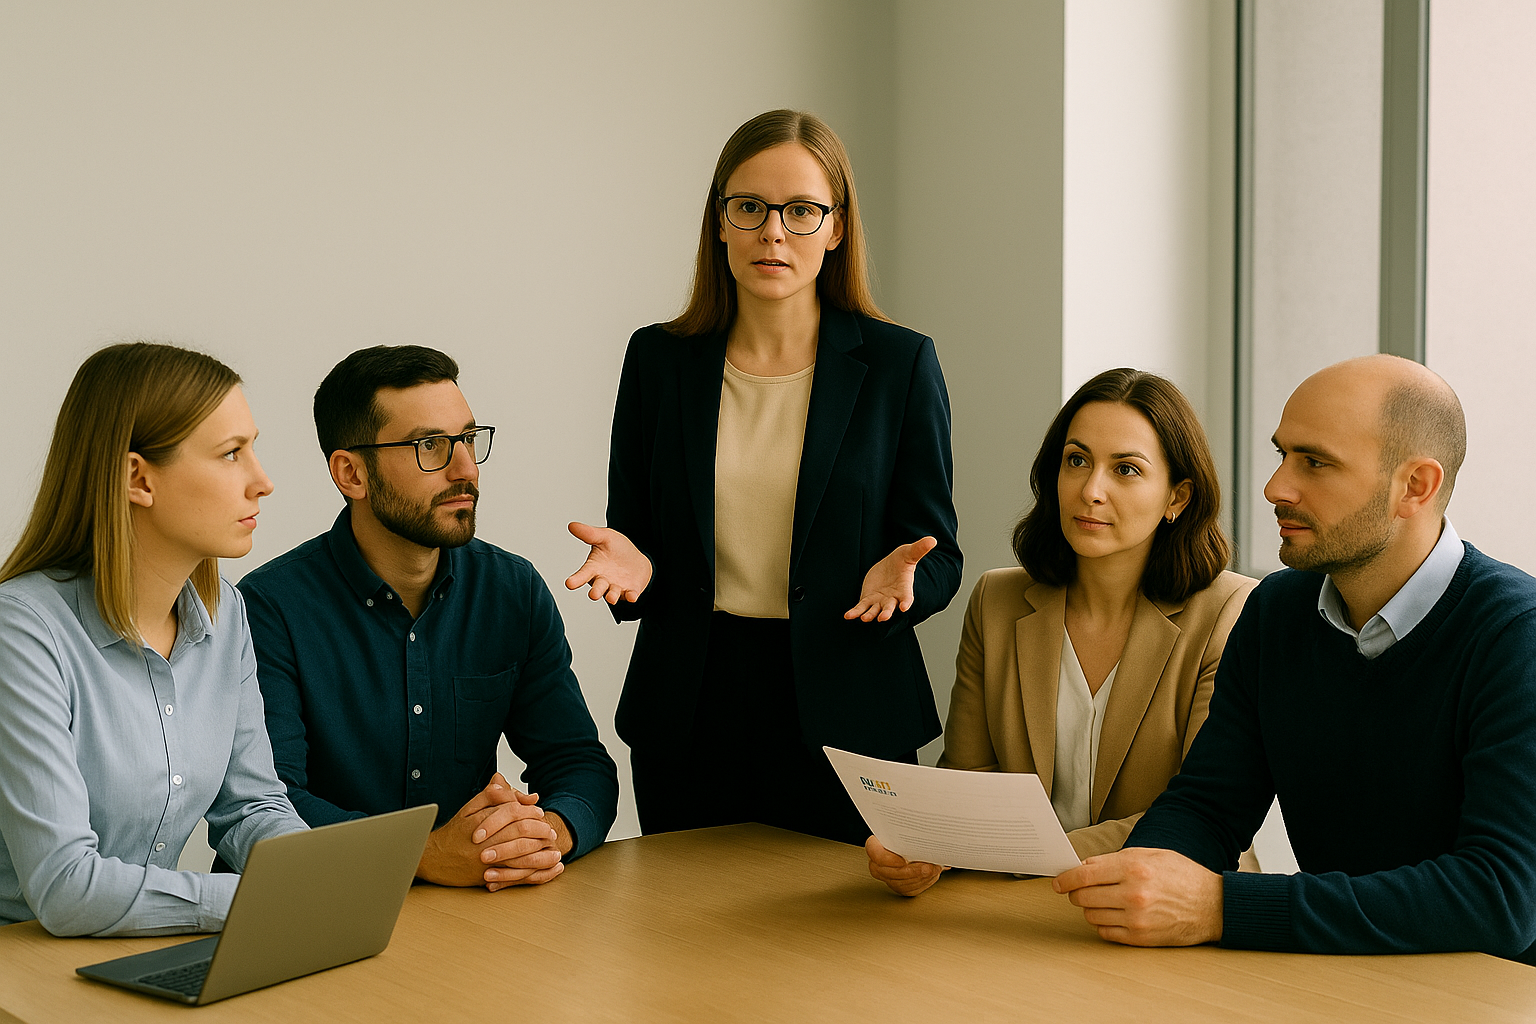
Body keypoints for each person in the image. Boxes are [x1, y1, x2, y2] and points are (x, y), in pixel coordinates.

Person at [1054, 354, 1536, 963]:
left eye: (1314, 462)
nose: (1275, 487)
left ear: (1416, 486)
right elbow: (1208, 805)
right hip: (1336, 976)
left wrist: (1221, 907)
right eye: (1282, 454)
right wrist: (1143, 879)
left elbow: (1500, 899)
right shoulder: (1277, 610)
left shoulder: (1517, 635)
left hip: (1491, 994)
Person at [564, 109, 961, 845]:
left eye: (801, 211)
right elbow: (638, 538)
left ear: (837, 227)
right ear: (719, 222)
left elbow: (937, 554)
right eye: (749, 207)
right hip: (692, 707)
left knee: (848, 954)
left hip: (849, 707)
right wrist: (632, 567)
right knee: (686, 943)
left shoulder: (899, 365)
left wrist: (906, 587)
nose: (772, 232)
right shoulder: (658, 360)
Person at [237, 346, 618, 891]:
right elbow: (269, 803)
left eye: (467, 439)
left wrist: (545, 835)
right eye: (429, 446)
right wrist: (421, 853)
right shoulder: (267, 608)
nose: (465, 469)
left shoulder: (511, 590)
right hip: (309, 904)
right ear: (352, 474)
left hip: (464, 915)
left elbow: (578, 761)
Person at [868, 369, 1256, 895]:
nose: (1091, 490)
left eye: (1126, 469)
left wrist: (1003, 850)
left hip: (1167, 909)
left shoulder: (1230, 612)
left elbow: (1197, 814)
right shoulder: (997, 601)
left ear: (1178, 499)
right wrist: (924, 846)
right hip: (1018, 908)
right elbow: (969, 776)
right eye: (1077, 461)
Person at [0, 342, 307, 936]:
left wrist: (316, 880)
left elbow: (252, 807)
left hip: (137, 949)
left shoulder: (227, 618)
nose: (262, 482)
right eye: (231, 454)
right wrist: (256, 903)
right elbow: (67, 888)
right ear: (137, 477)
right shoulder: (23, 630)